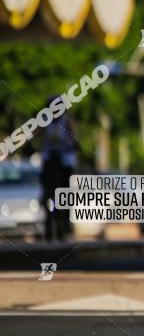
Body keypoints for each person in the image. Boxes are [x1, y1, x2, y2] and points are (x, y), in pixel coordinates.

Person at [39, 97, 77, 242]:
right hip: (49, 158)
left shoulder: (66, 121)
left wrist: (72, 144)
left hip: (63, 158)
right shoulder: (44, 121)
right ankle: (48, 224)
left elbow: (73, 138)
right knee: (47, 189)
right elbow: (37, 135)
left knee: (66, 187)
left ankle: (64, 223)